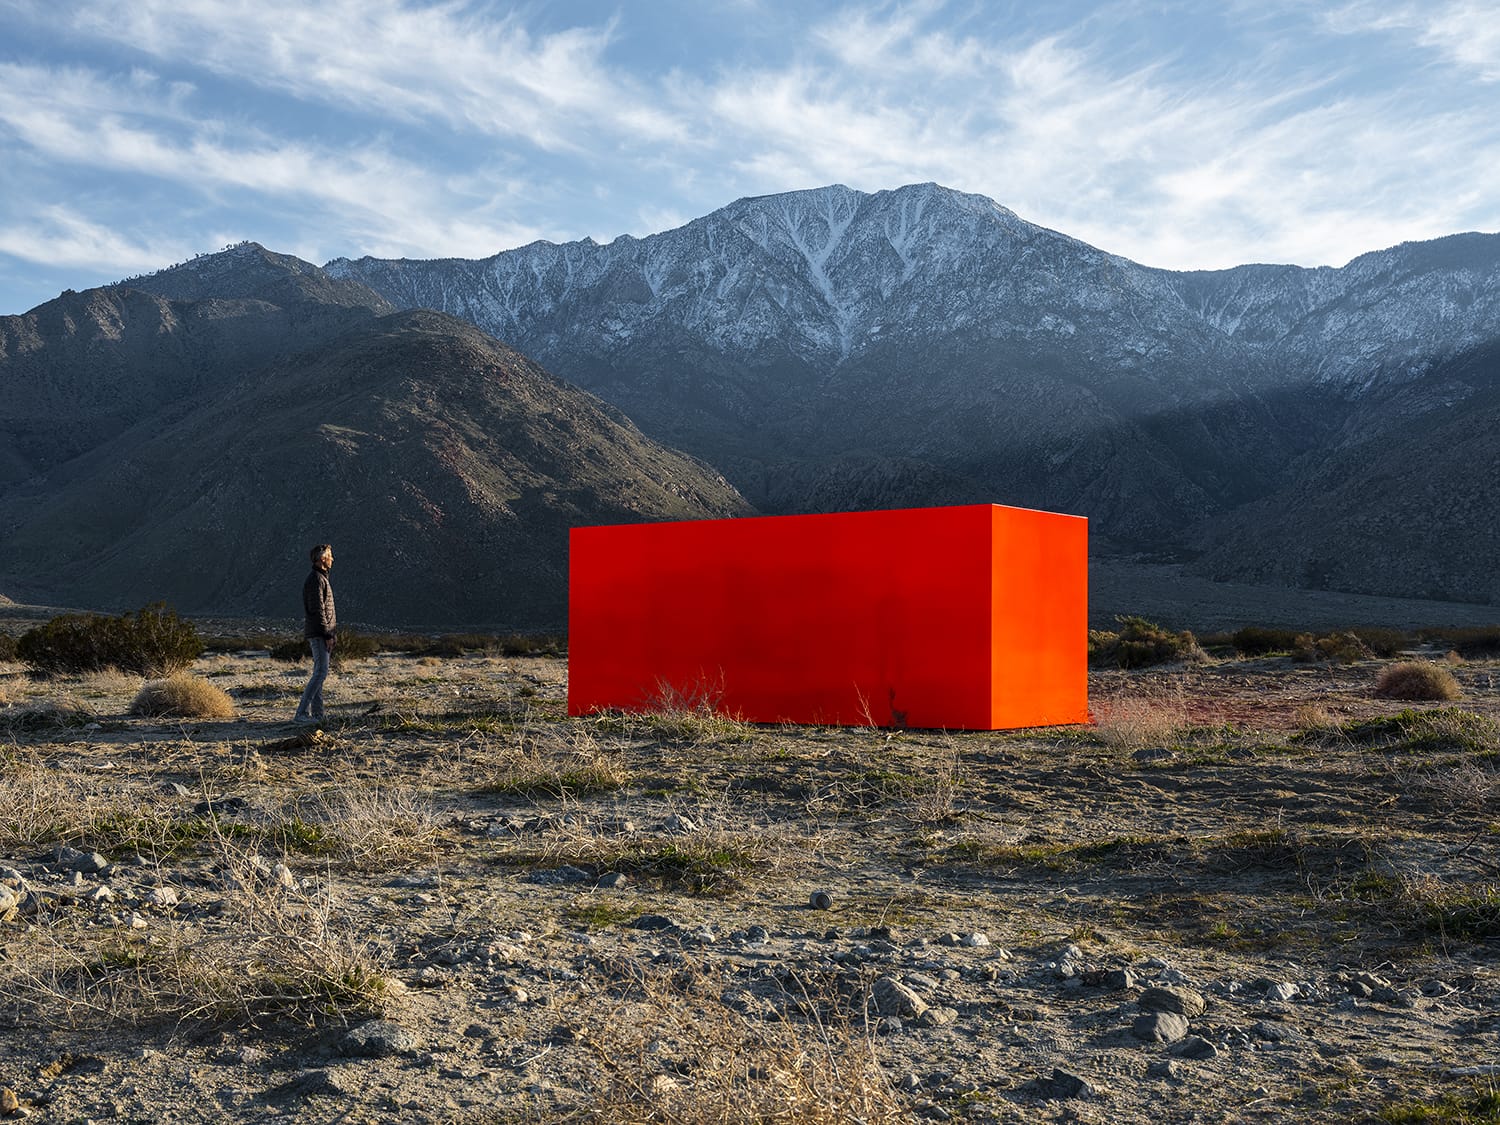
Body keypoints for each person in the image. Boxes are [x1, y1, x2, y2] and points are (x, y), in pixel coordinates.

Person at [293, 544, 336, 724]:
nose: (332, 559)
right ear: (322, 559)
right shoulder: (316, 580)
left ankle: (318, 714)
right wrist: (327, 634)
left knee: (319, 672)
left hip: (322, 633)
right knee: (320, 672)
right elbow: (318, 610)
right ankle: (301, 714)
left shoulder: (320, 578)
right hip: (319, 633)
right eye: (330, 556)